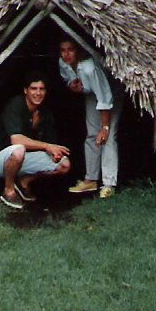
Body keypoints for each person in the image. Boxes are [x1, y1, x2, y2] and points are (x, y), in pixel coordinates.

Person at [0, 71, 72, 209]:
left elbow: (51, 144)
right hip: (0, 159)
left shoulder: (45, 113)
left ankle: (23, 182)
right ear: (25, 91)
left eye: (42, 89)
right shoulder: (15, 105)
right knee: (18, 149)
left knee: (64, 164)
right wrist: (47, 146)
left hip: (24, 159)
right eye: (34, 88)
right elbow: (16, 140)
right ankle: (8, 191)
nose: (38, 93)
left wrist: (54, 152)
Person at [59, 39, 123, 199]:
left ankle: (109, 184)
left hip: (110, 94)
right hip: (92, 94)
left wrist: (105, 127)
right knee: (92, 134)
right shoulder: (63, 63)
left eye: (70, 50)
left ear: (78, 51)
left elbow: (105, 97)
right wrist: (72, 85)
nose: (66, 54)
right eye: (63, 50)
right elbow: (68, 79)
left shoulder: (90, 68)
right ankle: (91, 179)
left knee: (107, 137)